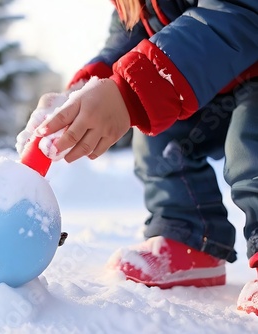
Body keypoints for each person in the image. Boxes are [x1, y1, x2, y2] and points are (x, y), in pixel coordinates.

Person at [16, 0, 258, 315]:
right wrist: (85, 91)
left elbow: (238, 12)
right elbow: (129, 36)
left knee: (249, 144)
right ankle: (187, 234)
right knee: (157, 127)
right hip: (213, 83)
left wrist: (128, 91)